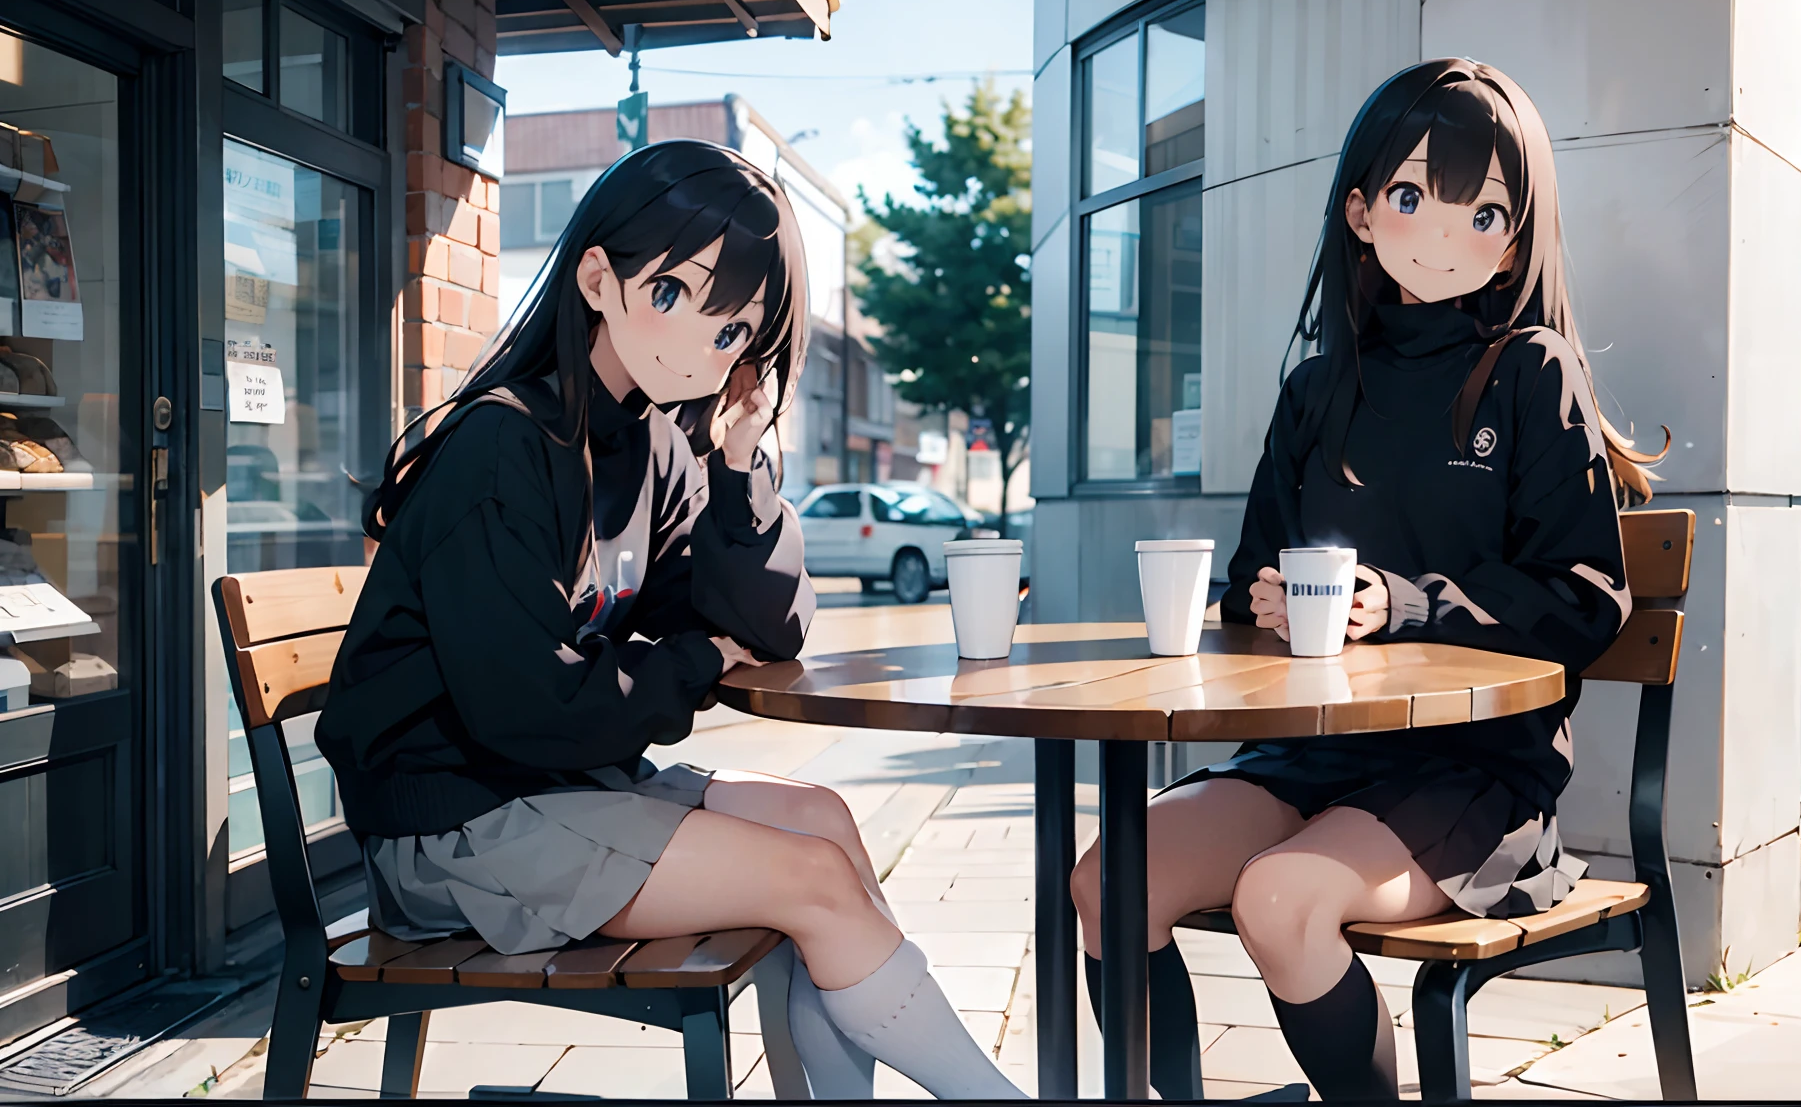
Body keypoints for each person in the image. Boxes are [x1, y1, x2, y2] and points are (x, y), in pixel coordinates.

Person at [318, 141, 1022, 1100]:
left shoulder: (651, 445)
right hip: (453, 833)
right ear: (598, 279)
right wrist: (693, 661)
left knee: (821, 818)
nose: (704, 346)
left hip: (557, 788)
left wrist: (738, 467)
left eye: (735, 331)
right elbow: (528, 706)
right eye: (676, 297)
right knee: (810, 882)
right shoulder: (502, 447)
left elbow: (771, 629)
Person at [1069, 59, 1662, 1101]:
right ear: (1358, 210)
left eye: (1481, 212)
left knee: (1282, 897)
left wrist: (1406, 601)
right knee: (1107, 878)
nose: (1441, 231)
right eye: (1408, 196)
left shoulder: (1529, 372)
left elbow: (1583, 598)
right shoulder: (1315, 390)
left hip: (1474, 771)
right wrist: (1254, 600)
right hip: (1312, 757)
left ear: (1515, 239)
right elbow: (1256, 573)